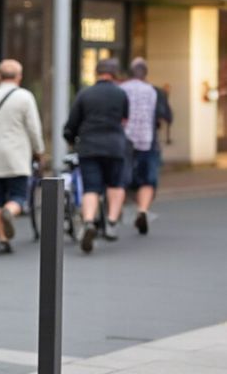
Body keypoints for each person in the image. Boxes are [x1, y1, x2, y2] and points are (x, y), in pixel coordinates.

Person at [0, 59, 45, 254]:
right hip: (17, 156)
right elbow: (34, 129)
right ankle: (10, 211)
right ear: (19, 77)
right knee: (18, 196)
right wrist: (39, 151)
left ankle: (3, 239)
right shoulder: (25, 97)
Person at [63, 58, 128, 253]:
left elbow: (72, 123)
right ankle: (112, 222)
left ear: (96, 73)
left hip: (89, 146)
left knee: (91, 187)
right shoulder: (121, 93)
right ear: (115, 74)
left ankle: (89, 221)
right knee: (116, 184)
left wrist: (71, 138)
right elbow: (125, 119)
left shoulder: (85, 94)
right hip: (115, 146)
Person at [120, 57, 173, 235]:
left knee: (120, 177)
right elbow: (164, 117)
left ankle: (114, 211)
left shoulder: (120, 90)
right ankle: (142, 210)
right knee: (147, 180)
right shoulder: (155, 91)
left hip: (123, 142)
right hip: (149, 142)